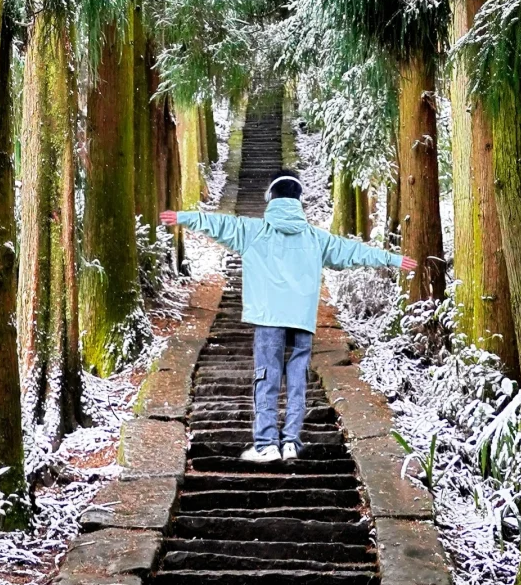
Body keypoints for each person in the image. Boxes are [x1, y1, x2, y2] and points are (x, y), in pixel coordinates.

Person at [160, 171, 417, 464]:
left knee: (266, 377)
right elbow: (352, 251)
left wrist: (182, 217)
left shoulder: (252, 231)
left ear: (271, 197)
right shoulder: (315, 238)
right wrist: (393, 259)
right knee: (297, 379)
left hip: (269, 318)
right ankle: (291, 442)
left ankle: (267, 444)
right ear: (298, 200)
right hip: (302, 320)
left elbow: (216, 223)